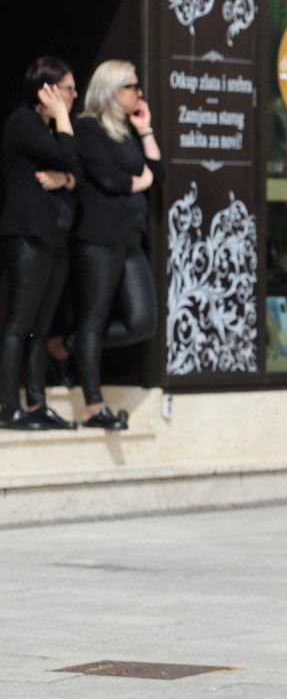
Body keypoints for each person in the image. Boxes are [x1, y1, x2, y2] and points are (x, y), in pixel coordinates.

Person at [70, 60, 161, 430]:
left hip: (131, 240)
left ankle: (68, 345)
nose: (138, 93)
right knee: (93, 317)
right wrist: (141, 180)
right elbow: (109, 179)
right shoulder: (88, 127)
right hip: (99, 237)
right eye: (131, 87)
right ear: (111, 90)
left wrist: (146, 129)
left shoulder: (126, 130)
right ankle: (93, 405)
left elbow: (159, 172)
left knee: (143, 321)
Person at [1, 56, 79, 430]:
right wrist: (62, 116)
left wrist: (65, 180)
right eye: (67, 89)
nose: (74, 96)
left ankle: (36, 403)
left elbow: (78, 170)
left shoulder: (49, 130)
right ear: (46, 91)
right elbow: (69, 156)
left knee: (39, 327)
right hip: (28, 236)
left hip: (54, 238)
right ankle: (7, 406)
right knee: (19, 323)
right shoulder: (23, 124)